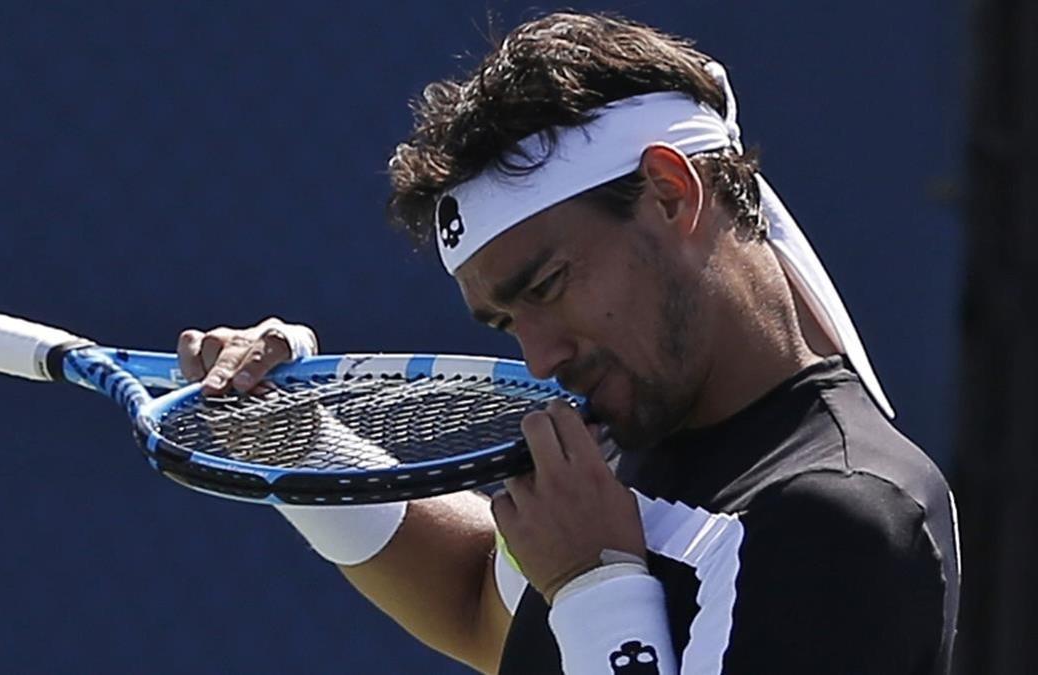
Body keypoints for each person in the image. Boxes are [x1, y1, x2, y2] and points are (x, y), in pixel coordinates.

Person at [176, 12, 960, 675]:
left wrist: (599, 593)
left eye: (547, 286)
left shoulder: (848, 520)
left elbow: (576, 598)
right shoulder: (628, 439)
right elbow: (482, 605)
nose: (541, 357)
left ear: (671, 193)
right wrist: (301, 441)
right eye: (506, 321)